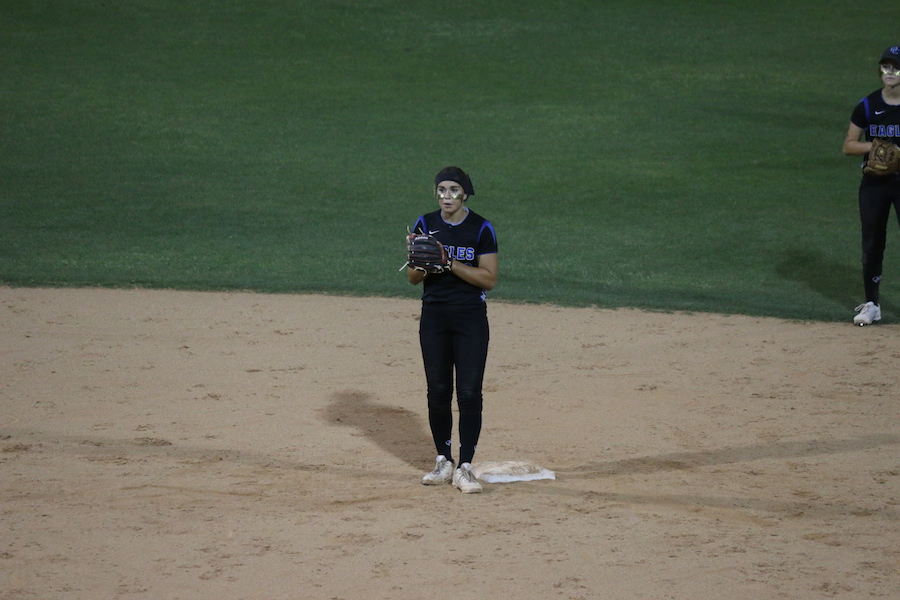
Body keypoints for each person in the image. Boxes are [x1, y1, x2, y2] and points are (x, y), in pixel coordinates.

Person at [406, 166, 498, 493]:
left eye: (454, 190)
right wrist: (425, 259)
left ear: (465, 194)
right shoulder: (425, 224)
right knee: (438, 391)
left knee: (469, 393)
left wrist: (448, 262)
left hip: (470, 318)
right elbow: (413, 278)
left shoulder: (481, 228)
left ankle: (466, 466)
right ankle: (443, 460)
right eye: (442, 189)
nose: (447, 196)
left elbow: (489, 278)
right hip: (434, 317)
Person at [843, 46, 900, 325]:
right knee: (872, 244)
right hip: (874, 185)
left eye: (896, 68)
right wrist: (875, 147)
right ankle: (872, 305)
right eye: (886, 67)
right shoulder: (867, 105)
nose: (890, 72)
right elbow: (848, 146)